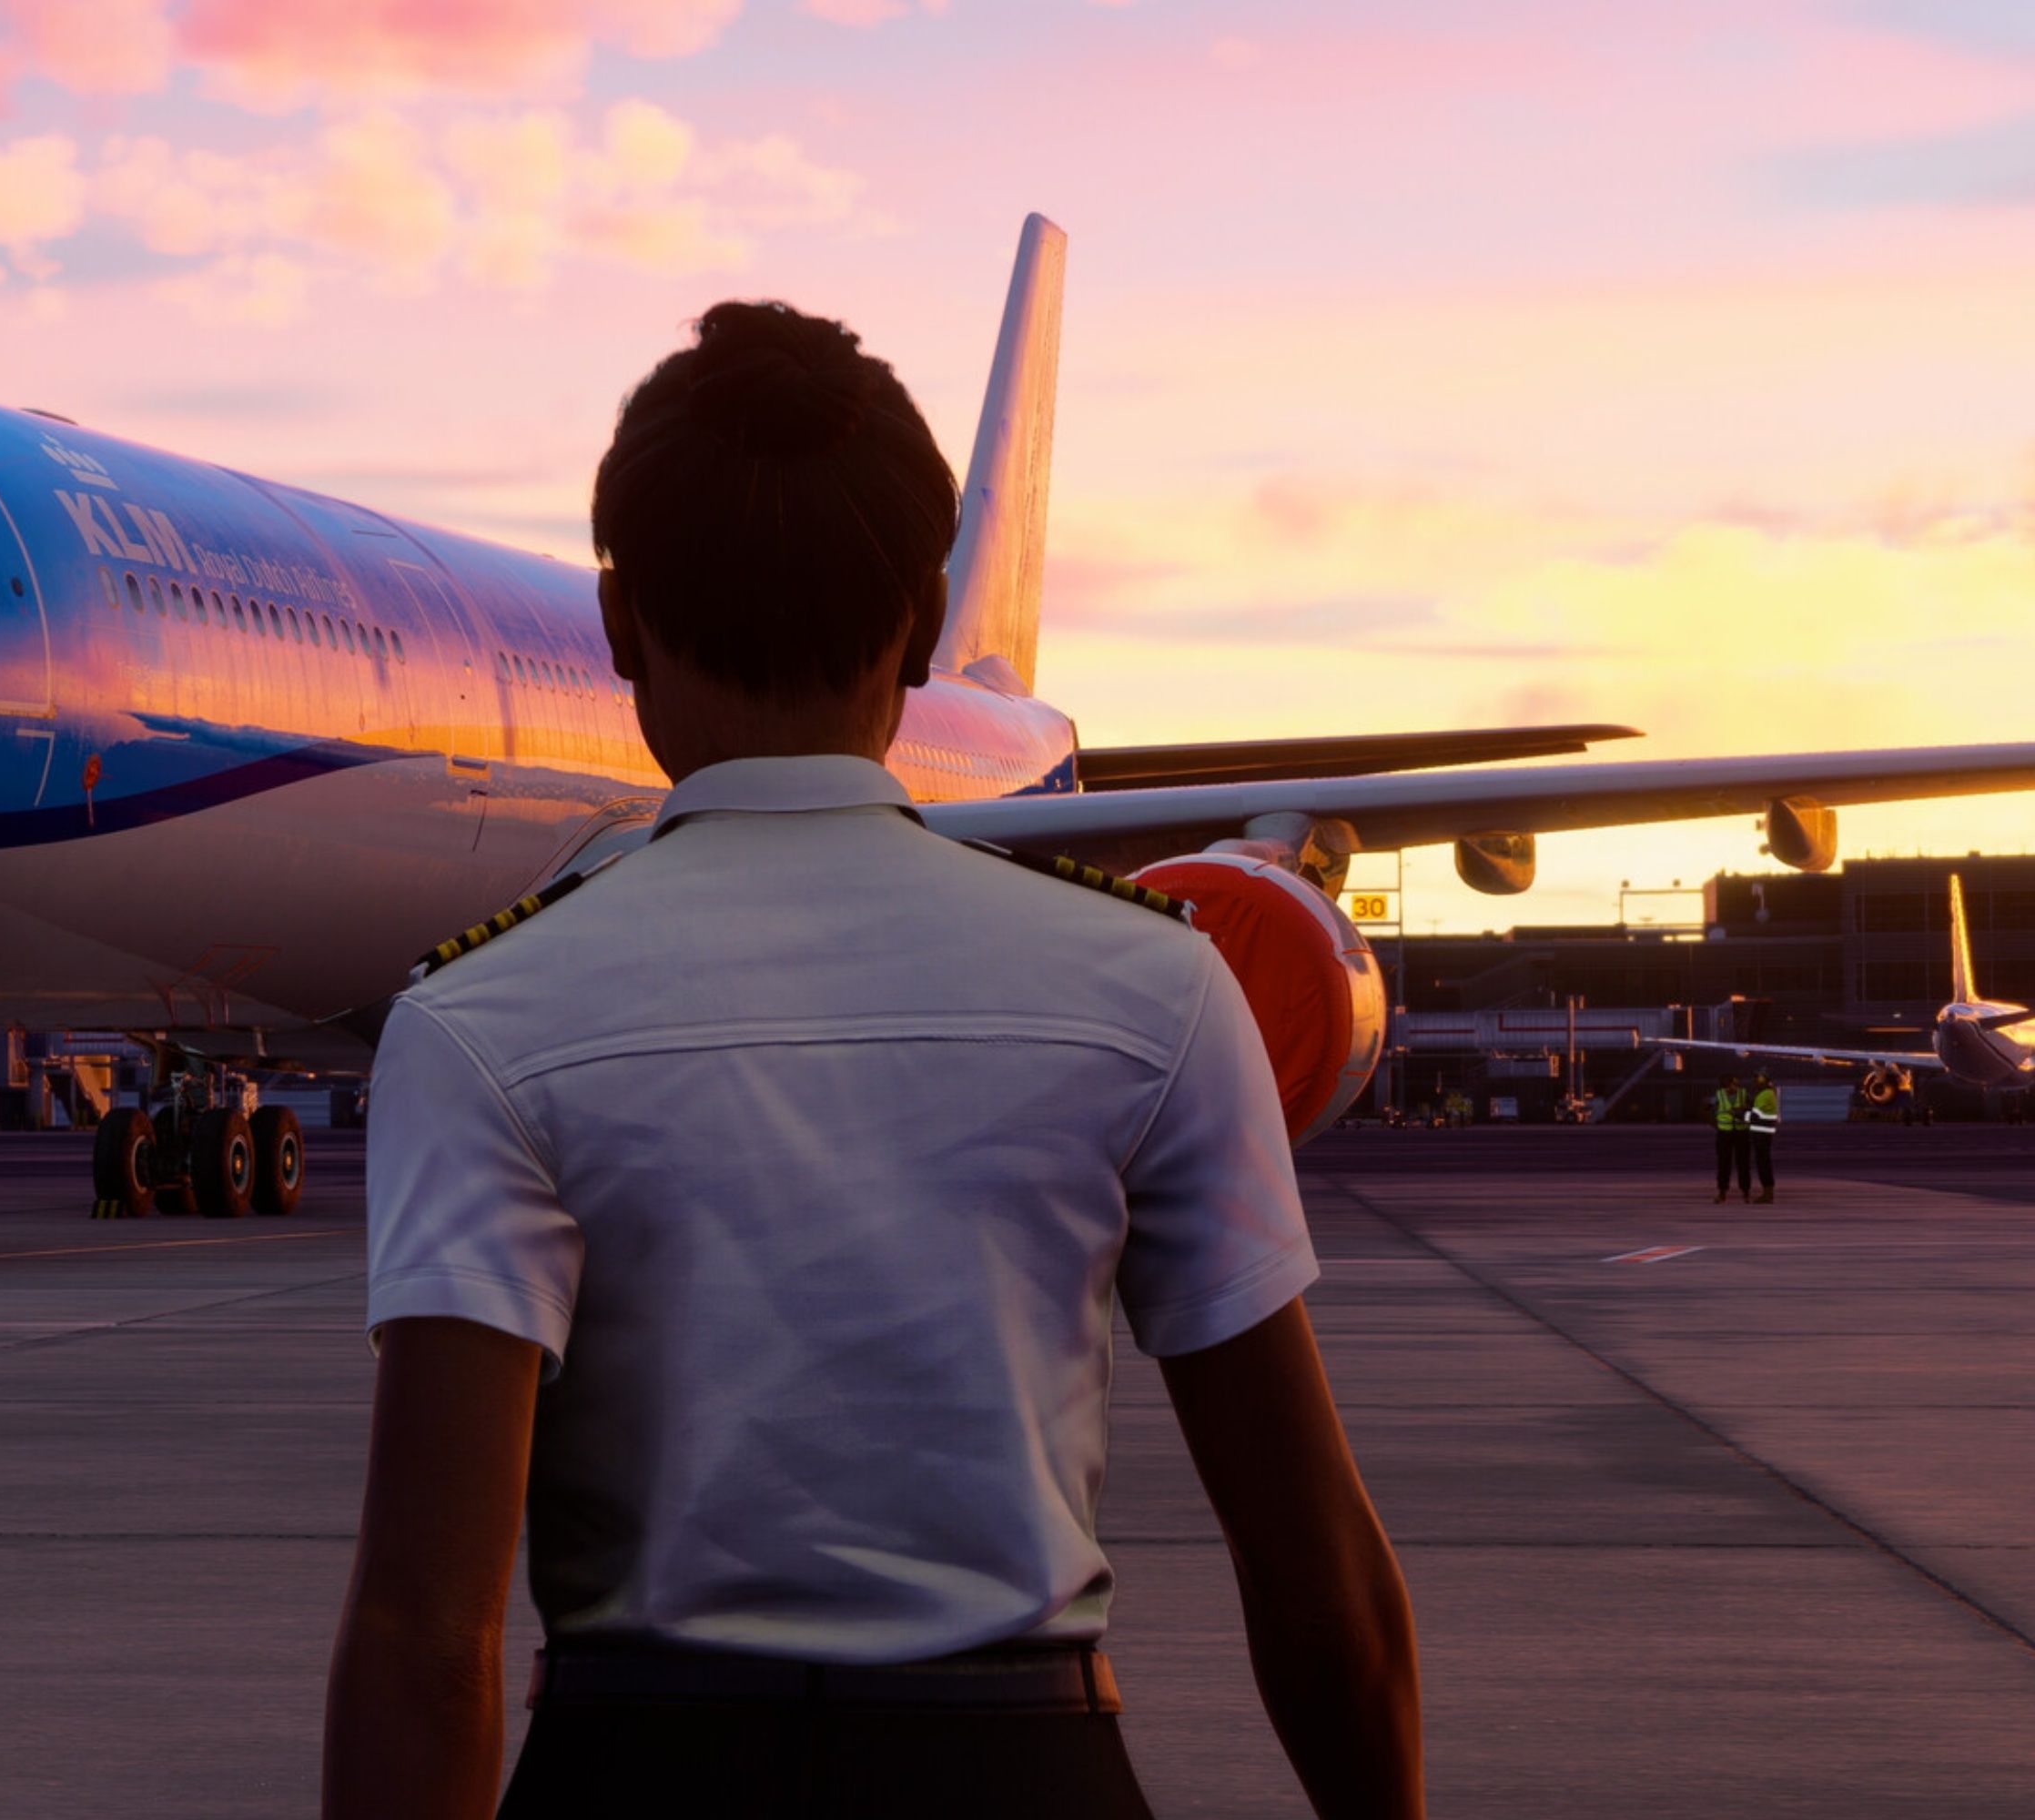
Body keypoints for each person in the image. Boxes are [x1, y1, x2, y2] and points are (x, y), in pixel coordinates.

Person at [323, 301, 1421, 1820]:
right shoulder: (1151, 988)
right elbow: (1324, 1588)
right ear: (920, 622)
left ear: (621, 621)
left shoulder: (478, 1021)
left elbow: (423, 1639)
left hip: (634, 1767)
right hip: (1027, 1769)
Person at [1714, 1074, 1754, 1204]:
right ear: (1726, 1086)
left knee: (1743, 1164)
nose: (1734, 1087)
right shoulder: (1719, 1096)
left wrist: (1744, 1114)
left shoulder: (1744, 1094)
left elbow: (1753, 1109)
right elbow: (1707, 1109)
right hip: (1724, 1133)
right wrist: (1714, 1123)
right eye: (1732, 1084)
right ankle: (1722, 1192)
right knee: (1724, 1163)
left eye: (1736, 1084)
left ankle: (1746, 1192)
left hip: (1741, 1132)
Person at [1747, 1072, 1781, 1203]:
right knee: (1764, 1163)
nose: (1754, 1083)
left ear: (1762, 1082)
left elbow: (1754, 1116)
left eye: (1756, 1081)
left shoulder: (1764, 1094)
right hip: (1763, 1133)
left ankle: (1768, 1194)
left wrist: (1738, 1115)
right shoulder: (1768, 1093)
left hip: (1762, 1134)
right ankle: (1768, 1193)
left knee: (1763, 1164)